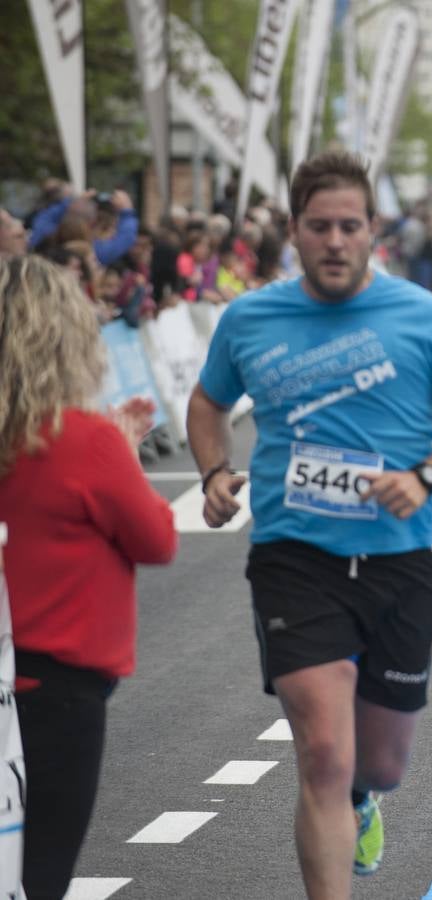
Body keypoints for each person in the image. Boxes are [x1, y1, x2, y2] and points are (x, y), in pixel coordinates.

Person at [185, 151, 432, 896]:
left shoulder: (420, 317)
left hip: (397, 561)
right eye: (320, 226)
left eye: (350, 226)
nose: (335, 240)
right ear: (294, 232)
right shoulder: (251, 319)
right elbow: (206, 405)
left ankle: (367, 800)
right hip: (293, 558)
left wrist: (424, 475)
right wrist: (212, 473)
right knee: (324, 754)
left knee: (380, 763)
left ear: (373, 233)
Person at [0, 255, 177, 900]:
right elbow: (155, 539)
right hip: (58, 681)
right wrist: (126, 451)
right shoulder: (81, 439)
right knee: (39, 868)